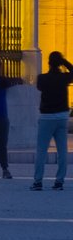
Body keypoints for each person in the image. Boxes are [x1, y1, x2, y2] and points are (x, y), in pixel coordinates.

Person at [32, 50, 72, 191]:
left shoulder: (42, 78)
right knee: (62, 151)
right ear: (60, 63)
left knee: (41, 151)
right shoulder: (64, 78)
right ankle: (59, 181)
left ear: (48, 63)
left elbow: (39, 87)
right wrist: (65, 62)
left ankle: (38, 181)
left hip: (46, 117)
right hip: (62, 117)